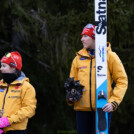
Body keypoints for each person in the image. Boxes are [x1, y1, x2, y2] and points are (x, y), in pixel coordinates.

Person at [68, 23, 128, 134]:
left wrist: (113, 102)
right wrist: (71, 96)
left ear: (94, 37)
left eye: (85, 36)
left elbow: (122, 80)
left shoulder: (110, 56)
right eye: (82, 36)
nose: (82, 39)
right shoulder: (78, 58)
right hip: (82, 111)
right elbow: (72, 82)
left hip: (102, 108)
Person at [0, 51, 37, 134]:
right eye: (1, 66)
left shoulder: (26, 87)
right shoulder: (1, 85)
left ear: (13, 67)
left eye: (4, 66)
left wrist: (8, 120)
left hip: (16, 131)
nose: (1, 68)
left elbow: (29, 109)